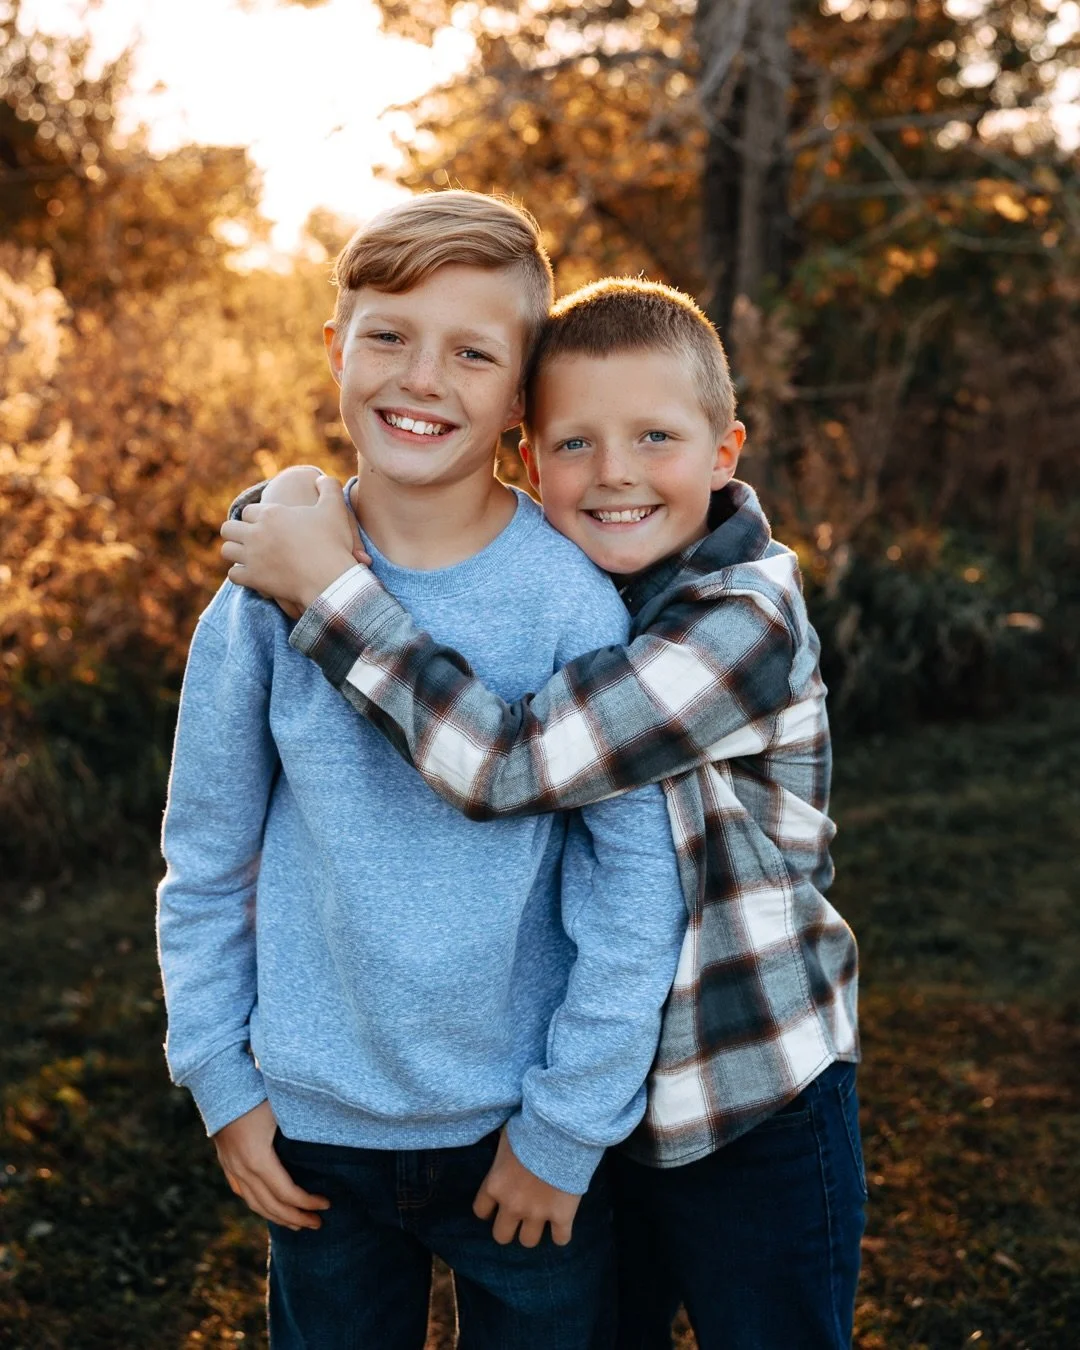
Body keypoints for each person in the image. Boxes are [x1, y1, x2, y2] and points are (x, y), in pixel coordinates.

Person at [221, 276, 867, 1349]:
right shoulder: (591, 584)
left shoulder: (742, 620)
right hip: (590, 1102)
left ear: (724, 452)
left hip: (748, 1094)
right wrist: (296, 496)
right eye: (575, 445)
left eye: (655, 437)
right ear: (529, 460)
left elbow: (504, 765)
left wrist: (329, 593)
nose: (613, 473)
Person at [159, 194, 688, 1350]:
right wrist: (219, 1077)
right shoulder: (258, 597)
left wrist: (566, 1126)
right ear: (335, 348)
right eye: (390, 334)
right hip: (312, 1130)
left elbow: (634, 886)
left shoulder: (568, 605)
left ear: (517, 399)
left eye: (473, 353)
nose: (423, 378)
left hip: (516, 1128)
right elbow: (206, 858)